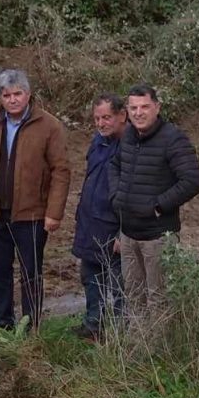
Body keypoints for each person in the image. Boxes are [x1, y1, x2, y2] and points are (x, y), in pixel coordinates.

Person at [0, 69, 70, 330]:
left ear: (28, 94)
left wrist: (54, 213)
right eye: (6, 95)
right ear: (0, 98)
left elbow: (61, 170)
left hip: (32, 215)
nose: (12, 99)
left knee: (30, 273)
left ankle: (30, 323)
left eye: (18, 94)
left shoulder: (49, 126)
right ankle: (3, 319)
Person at [108, 84, 199, 314]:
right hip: (128, 234)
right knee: (134, 297)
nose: (139, 113)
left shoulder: (173, 139)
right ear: (127, 111)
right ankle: (138, 349)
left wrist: (158, 205)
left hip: (158, 237)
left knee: (159, 300)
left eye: (145, 107)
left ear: (157, 108)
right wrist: (116, 196)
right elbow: (115, 164)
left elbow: (192, 180)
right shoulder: (129, 135)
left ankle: (159, 350)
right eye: (133, 108)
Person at [71, 94, 128, 339]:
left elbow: (134, 194)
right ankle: (93, 324)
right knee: (90, 277)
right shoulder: (97, 142)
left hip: (114, 227)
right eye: (97, 118)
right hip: (90, 223)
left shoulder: (132, 147)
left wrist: (122, 232)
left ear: (122, 116)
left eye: (106, 117)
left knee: (118, 283)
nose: (101, 123)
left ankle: (119, 333)